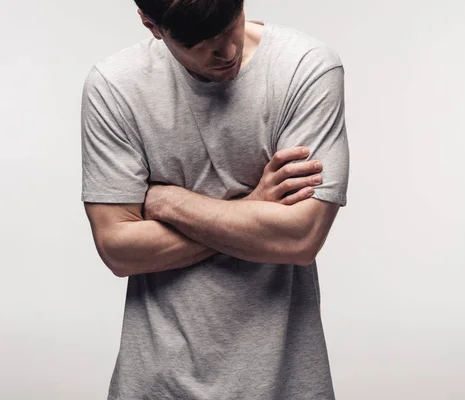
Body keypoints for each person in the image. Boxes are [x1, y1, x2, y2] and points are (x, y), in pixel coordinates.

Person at [80, 0, 350, 398]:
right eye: (199, 42)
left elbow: (299, 238)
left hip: (283, 383)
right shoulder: (116, 86)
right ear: (151, 25)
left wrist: (168, 202)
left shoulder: (304, 68)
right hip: (158, 384)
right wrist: (252, 207)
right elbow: (118, 249)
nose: (226, 51)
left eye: (229, 25)